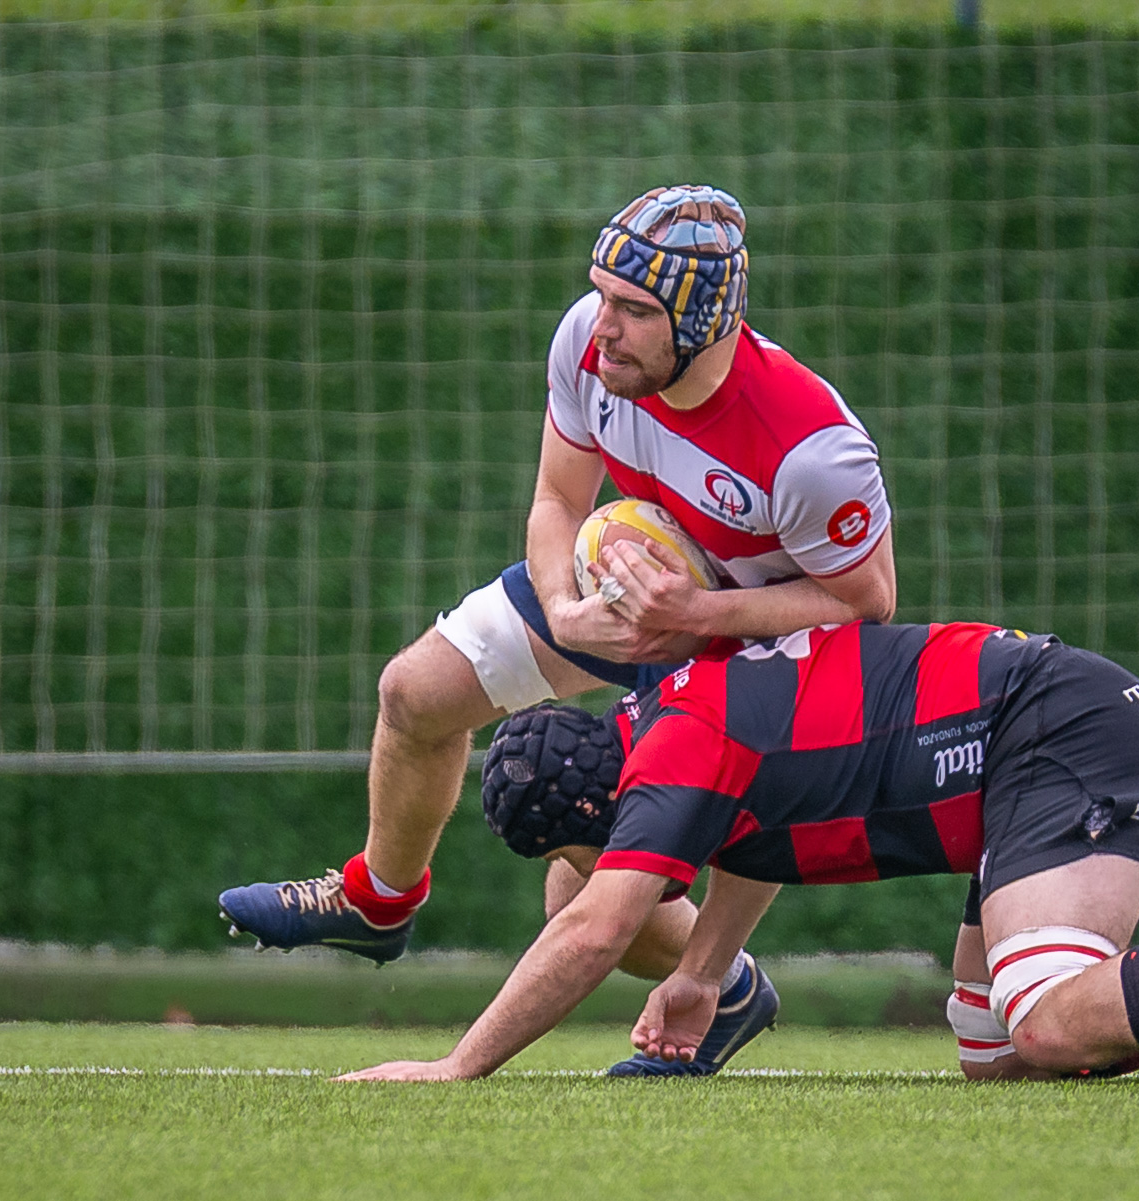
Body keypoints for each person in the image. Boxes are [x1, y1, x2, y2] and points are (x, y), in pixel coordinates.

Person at [218, 185, 898, 1077]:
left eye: (634, 309)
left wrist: (698, 617)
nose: (602, 326)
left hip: (750, 652)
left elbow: (865, 605)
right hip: (623, 593)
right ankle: (379, 900)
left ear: (703, 323)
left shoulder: (813, 450)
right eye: (602, 294)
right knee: (414, 692)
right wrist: (564, 602)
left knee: (575, 889)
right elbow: (556, 500)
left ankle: (719, 981)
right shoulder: (587, 343)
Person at [336, 620, 1139, 1087]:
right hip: (1026, 752)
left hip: (1052, 730)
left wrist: (454, 1067)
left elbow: (591, 928)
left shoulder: (673, 755)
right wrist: (698, 976)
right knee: (999, 1053)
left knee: (1048, 1012)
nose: (593, 869)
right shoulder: (674, 731)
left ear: (595, 814)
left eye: (583, 850)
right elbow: (758, 836)